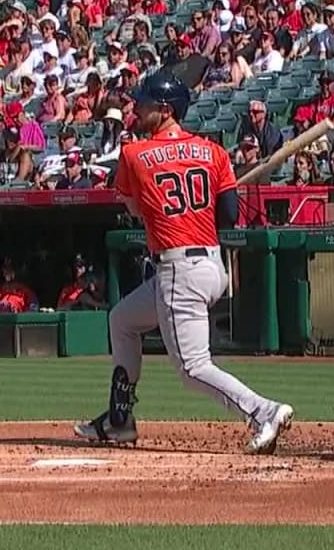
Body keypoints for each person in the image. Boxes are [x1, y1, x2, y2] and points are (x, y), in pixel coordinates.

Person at [73, 72, 294, 453]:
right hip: (210, 265)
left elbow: (132, 208)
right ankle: (120, 419)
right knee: (122, 319)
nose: (136, 109)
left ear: (165, 110)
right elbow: (228, 215)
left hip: (179, 268)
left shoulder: (134, 153)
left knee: (192, 367)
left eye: (144, 105)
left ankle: (264, 410)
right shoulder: (213, 151)